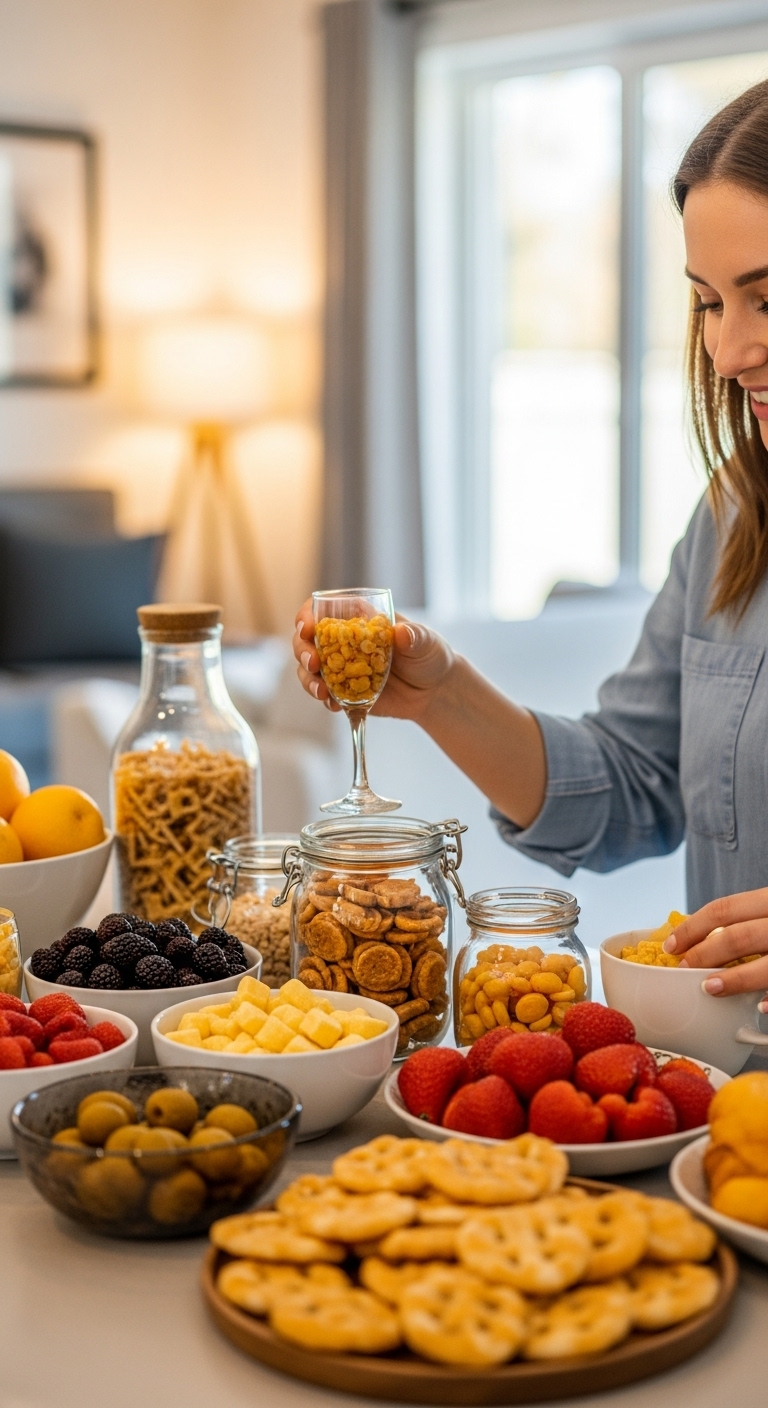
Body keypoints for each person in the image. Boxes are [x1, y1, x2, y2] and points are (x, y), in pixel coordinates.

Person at [294, 79, 768, 1012]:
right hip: (729, 1103)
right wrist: (442, 696)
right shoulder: (731, 521)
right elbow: (632, 787)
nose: (726, 352)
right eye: (709, 304)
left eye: (767, 298)